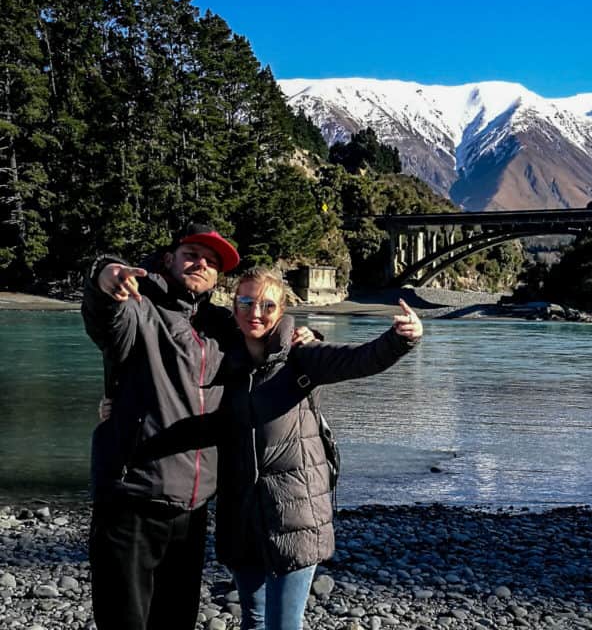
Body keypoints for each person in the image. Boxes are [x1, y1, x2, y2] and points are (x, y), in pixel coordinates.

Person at [211, 267, 422, 630]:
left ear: (282, 309)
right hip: (241, 515)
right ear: (233, 306)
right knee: (253, 620)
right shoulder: (222, 362)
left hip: (295, 515)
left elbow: (358, 359)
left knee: (283, 625)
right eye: (245, 302)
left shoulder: (302, 355)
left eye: (266, 304)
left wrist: (401, 339)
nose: (255, 312)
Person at [81, 223, 243, 630]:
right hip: (132, 496)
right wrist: (105, 279)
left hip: (193, 506)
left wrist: (302, 335)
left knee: (176, 620)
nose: (201, 264)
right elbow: (107, 320)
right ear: (169, 258)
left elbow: (269, 348)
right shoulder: (140, 306)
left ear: (218, 276)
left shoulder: (221, 325)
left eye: (211, 262)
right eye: (192, 254)